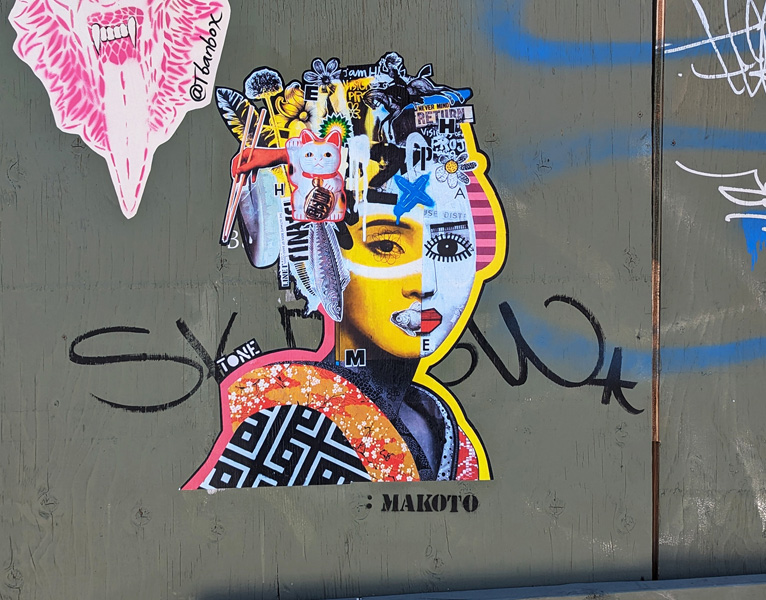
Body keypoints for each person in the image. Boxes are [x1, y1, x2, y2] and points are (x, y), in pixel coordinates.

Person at [183, 53, 506, 489]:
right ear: (318, 256)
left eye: (448, 246)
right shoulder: (280, 436)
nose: (424, 284)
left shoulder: (438, 429)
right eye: (386, 246)